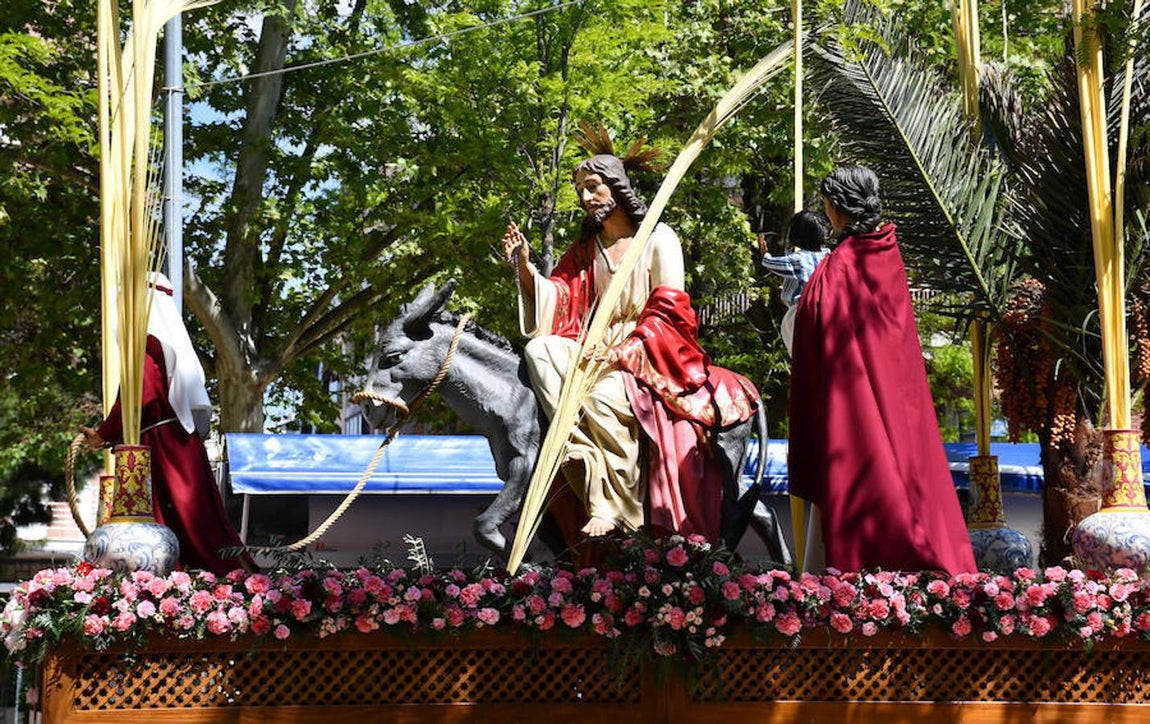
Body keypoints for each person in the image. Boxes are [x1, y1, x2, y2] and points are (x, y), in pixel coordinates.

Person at [503, 152, 759, 543]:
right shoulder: (588, 249)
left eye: (592, 187)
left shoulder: (658, 239)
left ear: (617, 186)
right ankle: (579, 448)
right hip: (591, 349)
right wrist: (524, 266)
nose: (586, 197)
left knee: (603, 394)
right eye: (580, 191)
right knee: (540, 351)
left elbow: (671, 312)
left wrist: (622, 351)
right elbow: (557, 300)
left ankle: (613, 504)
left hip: (643, 355)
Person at [787, 165, 975, 575]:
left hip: (854, 421)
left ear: (836, 208)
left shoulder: (838, 268)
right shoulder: (887, 255)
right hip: (902, 404)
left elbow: (820, 341)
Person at [81, 272, 253, 576]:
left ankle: (222, 582)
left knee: (187, 523)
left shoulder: (148, 346)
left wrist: (103, 434)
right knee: (192, 522)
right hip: (174, 441)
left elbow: (138, 397)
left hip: (164, 445)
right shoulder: (161, 344)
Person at [759, 210, 830, 356]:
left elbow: (770, 263)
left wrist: (764, 253)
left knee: (799, 353)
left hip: (800, 311)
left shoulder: (797, 259)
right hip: (826, 309)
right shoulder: (828, 255)